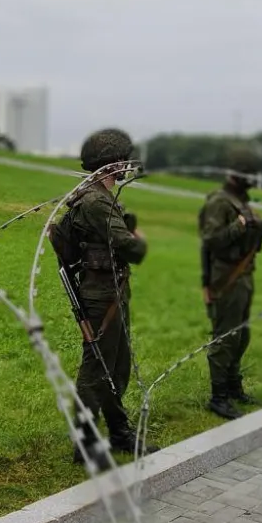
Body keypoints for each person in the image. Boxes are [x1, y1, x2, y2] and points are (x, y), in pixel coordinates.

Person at [51, 128, 159, 467]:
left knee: (116, 364)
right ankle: (84, 442)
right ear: (112, 164)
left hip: (111, 288)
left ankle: (119, 431)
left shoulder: (95, 195)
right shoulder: (96, 200)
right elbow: (129, 246)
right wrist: (139, 240)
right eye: (123, 160)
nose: (128, 166)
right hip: (102, 294)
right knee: (97, 367)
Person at [198, 147, 262, 419]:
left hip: (244, 277)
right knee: (226, 337)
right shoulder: (219, 201)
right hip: (226, 276)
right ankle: (218, 397)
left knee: (241, 335)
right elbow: (211, 240)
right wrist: (239, 226)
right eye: (249, 174)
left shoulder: (241, 201)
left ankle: (233, 387)